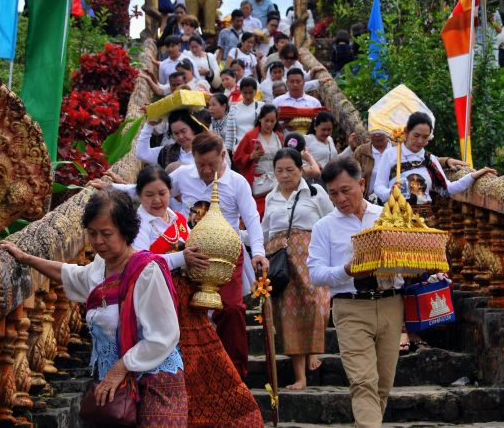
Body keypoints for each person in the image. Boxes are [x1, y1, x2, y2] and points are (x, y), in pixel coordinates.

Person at [0, 189, 188, 425]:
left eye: (106, 234)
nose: (98, 241)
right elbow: (70, 275)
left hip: (154, 381)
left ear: (125, 232)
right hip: (113, 384)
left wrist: (121, 368)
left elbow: (164, 335)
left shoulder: (147, 272)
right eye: (92, 233)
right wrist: (27, 259)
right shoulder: (100, 266)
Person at [124, 167, 265, 427]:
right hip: (160, 297)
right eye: (149, 195)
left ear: (170, 191)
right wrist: (180, 258)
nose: (157, 200)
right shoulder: (140, 223)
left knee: (207, 359)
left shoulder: (178, 217)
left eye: (162, 193)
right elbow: (140, 262)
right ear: (139, 196)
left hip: (189, 299)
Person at [307, 157, 403, 428]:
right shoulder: (324, 227)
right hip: (350, 307)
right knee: (362, 381)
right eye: (333, 193)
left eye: (346, 190)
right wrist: (347, 271)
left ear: (361, 184)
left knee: (382, 384)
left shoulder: (387, 217)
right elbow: (316, 274)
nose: (340, 198)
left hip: (391, 303)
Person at [169, 132, 269, 378]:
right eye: (200, 164)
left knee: (232, 308)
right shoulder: (183, 176)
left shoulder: (237, 183)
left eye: (211, 164)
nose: (205, 170)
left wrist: (258, 252)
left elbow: (252, 220)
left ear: (223, 156)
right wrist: (115, 186)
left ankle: (235, 372)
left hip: (227, 256)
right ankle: (191, 371)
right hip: (192, 255)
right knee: (189, 309)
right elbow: (155, 189)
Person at [262, 148, 333, 390]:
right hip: (280, 261)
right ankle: (300, 376)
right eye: (279, 170)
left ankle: (313, 349)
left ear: (301, 169)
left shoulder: (314, 192)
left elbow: (331, 221)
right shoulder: (271, 198)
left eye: (290, 170)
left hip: (310, 257)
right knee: (288, 314)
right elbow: (264, 232)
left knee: (316, 303)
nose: (284, 175)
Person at [372, 112, 496, 207]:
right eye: (416, 135)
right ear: (406, 132)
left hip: (424, 220)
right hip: (396, 217)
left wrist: (474, 176)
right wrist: (390, 192)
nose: (420, 141)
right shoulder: (391, 154)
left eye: (425, 137)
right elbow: (378, 186)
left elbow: (448, 189)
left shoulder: (430, 159)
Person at [233, 105, 284, 216]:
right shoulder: (250, 136)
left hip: (276, 181)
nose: (269, 124)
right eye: (266, 121)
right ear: (260, 119)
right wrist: (250, 157)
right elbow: (236, 159)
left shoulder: (279, 137)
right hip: (257, 184)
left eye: (272, 121)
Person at [136, 109, 207, 168]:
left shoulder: (207, 150)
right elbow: (142, 154)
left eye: (183, 131)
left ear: (193, 129)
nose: (180, 137)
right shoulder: (167, 152)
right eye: (176, 133)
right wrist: (149, 125)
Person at [225, 77, 264, 152]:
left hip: (256, 148)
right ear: (241, 91)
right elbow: (229, 133)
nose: (248, 96)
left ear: (256, 91)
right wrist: (228, 150)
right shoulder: (234, 108)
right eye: (245, 93)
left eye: (251, 92)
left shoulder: (261, 107)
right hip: (238, 149)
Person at [354, 130, 394, 201]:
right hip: (368, 202)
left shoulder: (398, 149)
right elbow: (353, 179)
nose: (377, 134)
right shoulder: (360, 152)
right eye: (374, 130)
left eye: (380, 130)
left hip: (396, 201)